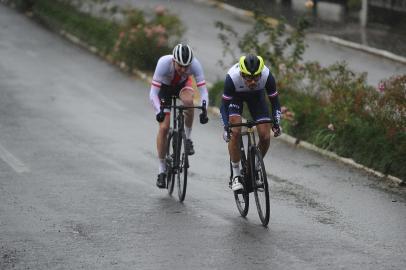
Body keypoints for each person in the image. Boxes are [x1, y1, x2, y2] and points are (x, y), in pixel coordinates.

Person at [149, 44, 209, 188]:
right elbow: (153, 94)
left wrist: (204, 110)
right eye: (180, 65)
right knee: (164, 128)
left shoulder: (195, 65)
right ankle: (162, 170)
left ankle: (187, 139)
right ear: (173, 60)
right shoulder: (164, 63)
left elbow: (204, 92)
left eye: (186, 66)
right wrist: (160, 111)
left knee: (189, 102)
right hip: (165, 90)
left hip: (183, 86)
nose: (183, 69)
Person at [220, 54, 281, 191]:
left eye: (256, 78)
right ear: (242, 73)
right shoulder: (232, 78)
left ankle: (254, 167)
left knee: (265, 136)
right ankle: (236, 176)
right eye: (249, 78)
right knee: (235, 132)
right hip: (236, 97)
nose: (253, 82)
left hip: (257, 97)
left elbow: (275, 102)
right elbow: (224, 106)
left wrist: (277, 122)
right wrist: (226, 127)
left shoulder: (267, 76)